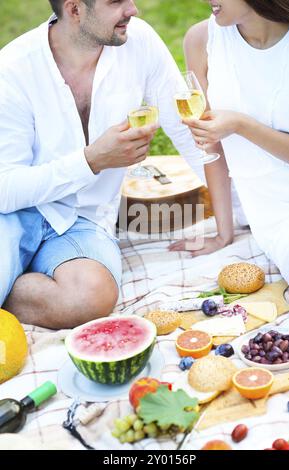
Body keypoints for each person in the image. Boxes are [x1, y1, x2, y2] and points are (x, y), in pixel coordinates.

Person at [0, 0, 207, 329]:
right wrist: (92, 160)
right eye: (116, 2)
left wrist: (241, 214)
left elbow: (186, 131)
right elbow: (5, 190)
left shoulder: (139, 42)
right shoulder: (13, 69)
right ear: (75, 9)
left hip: (83, 218)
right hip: (13, 215)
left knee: (90, 297)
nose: (133, 10)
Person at [170, 0, 289, 288]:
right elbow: (211, 145)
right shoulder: (202, 40)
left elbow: (232, 127)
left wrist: (242, 125)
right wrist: (223, 232)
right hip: (277, 211)